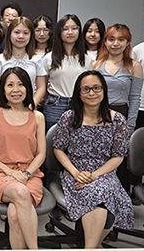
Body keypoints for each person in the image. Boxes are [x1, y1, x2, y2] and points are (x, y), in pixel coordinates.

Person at [53, 70, 134, 249]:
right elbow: (58, 149)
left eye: (96, 88)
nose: (92, 93)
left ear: (104, 90)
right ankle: (94, 247)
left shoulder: (117, 120)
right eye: (86, 89)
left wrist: (95, 175)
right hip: (75, 171)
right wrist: (75, 173)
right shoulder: (69, 117)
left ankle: (91, 247)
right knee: (99, 196)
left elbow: (118, 156)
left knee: (103, 192)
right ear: (78, 93)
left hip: (104, 171)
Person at [0, 67, 46, 249]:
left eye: (21, 85)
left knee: (15, 214)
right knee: (20, 193)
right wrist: (9, 171)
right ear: (2, 89)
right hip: (0, 173)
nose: (16, 90)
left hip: (30, 174)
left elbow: (41, 154)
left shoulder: (37, 117)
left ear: (28, 89)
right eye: (10, 85)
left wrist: (26, 173)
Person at [43, 14, 93, 131]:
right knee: (52, 139)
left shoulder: (87, 59)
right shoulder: (49, 58)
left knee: (77, 139)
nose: (70, 32)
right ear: (59, 32)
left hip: (79, 104)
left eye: (74, 28)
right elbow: (43, 84)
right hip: (55, 104)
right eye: (65, 29)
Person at [93, 24, 143, 134]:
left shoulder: (135, 66)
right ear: (105, 42)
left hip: (121, 114)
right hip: (97, 113)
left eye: (121, 39)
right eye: (111, 39)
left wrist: (130, 126)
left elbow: (135, 98)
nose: (115, 44)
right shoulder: (95, 65)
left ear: (127, 43)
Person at [0, 17, 47, 107]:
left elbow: (41, 87)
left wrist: (32, 105)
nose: (21, 36)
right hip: (5, 107)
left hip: (29, 107)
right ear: (10, 34)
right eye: (17, 32)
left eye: (25, 33)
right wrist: (6, 105)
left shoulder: (36, 59)